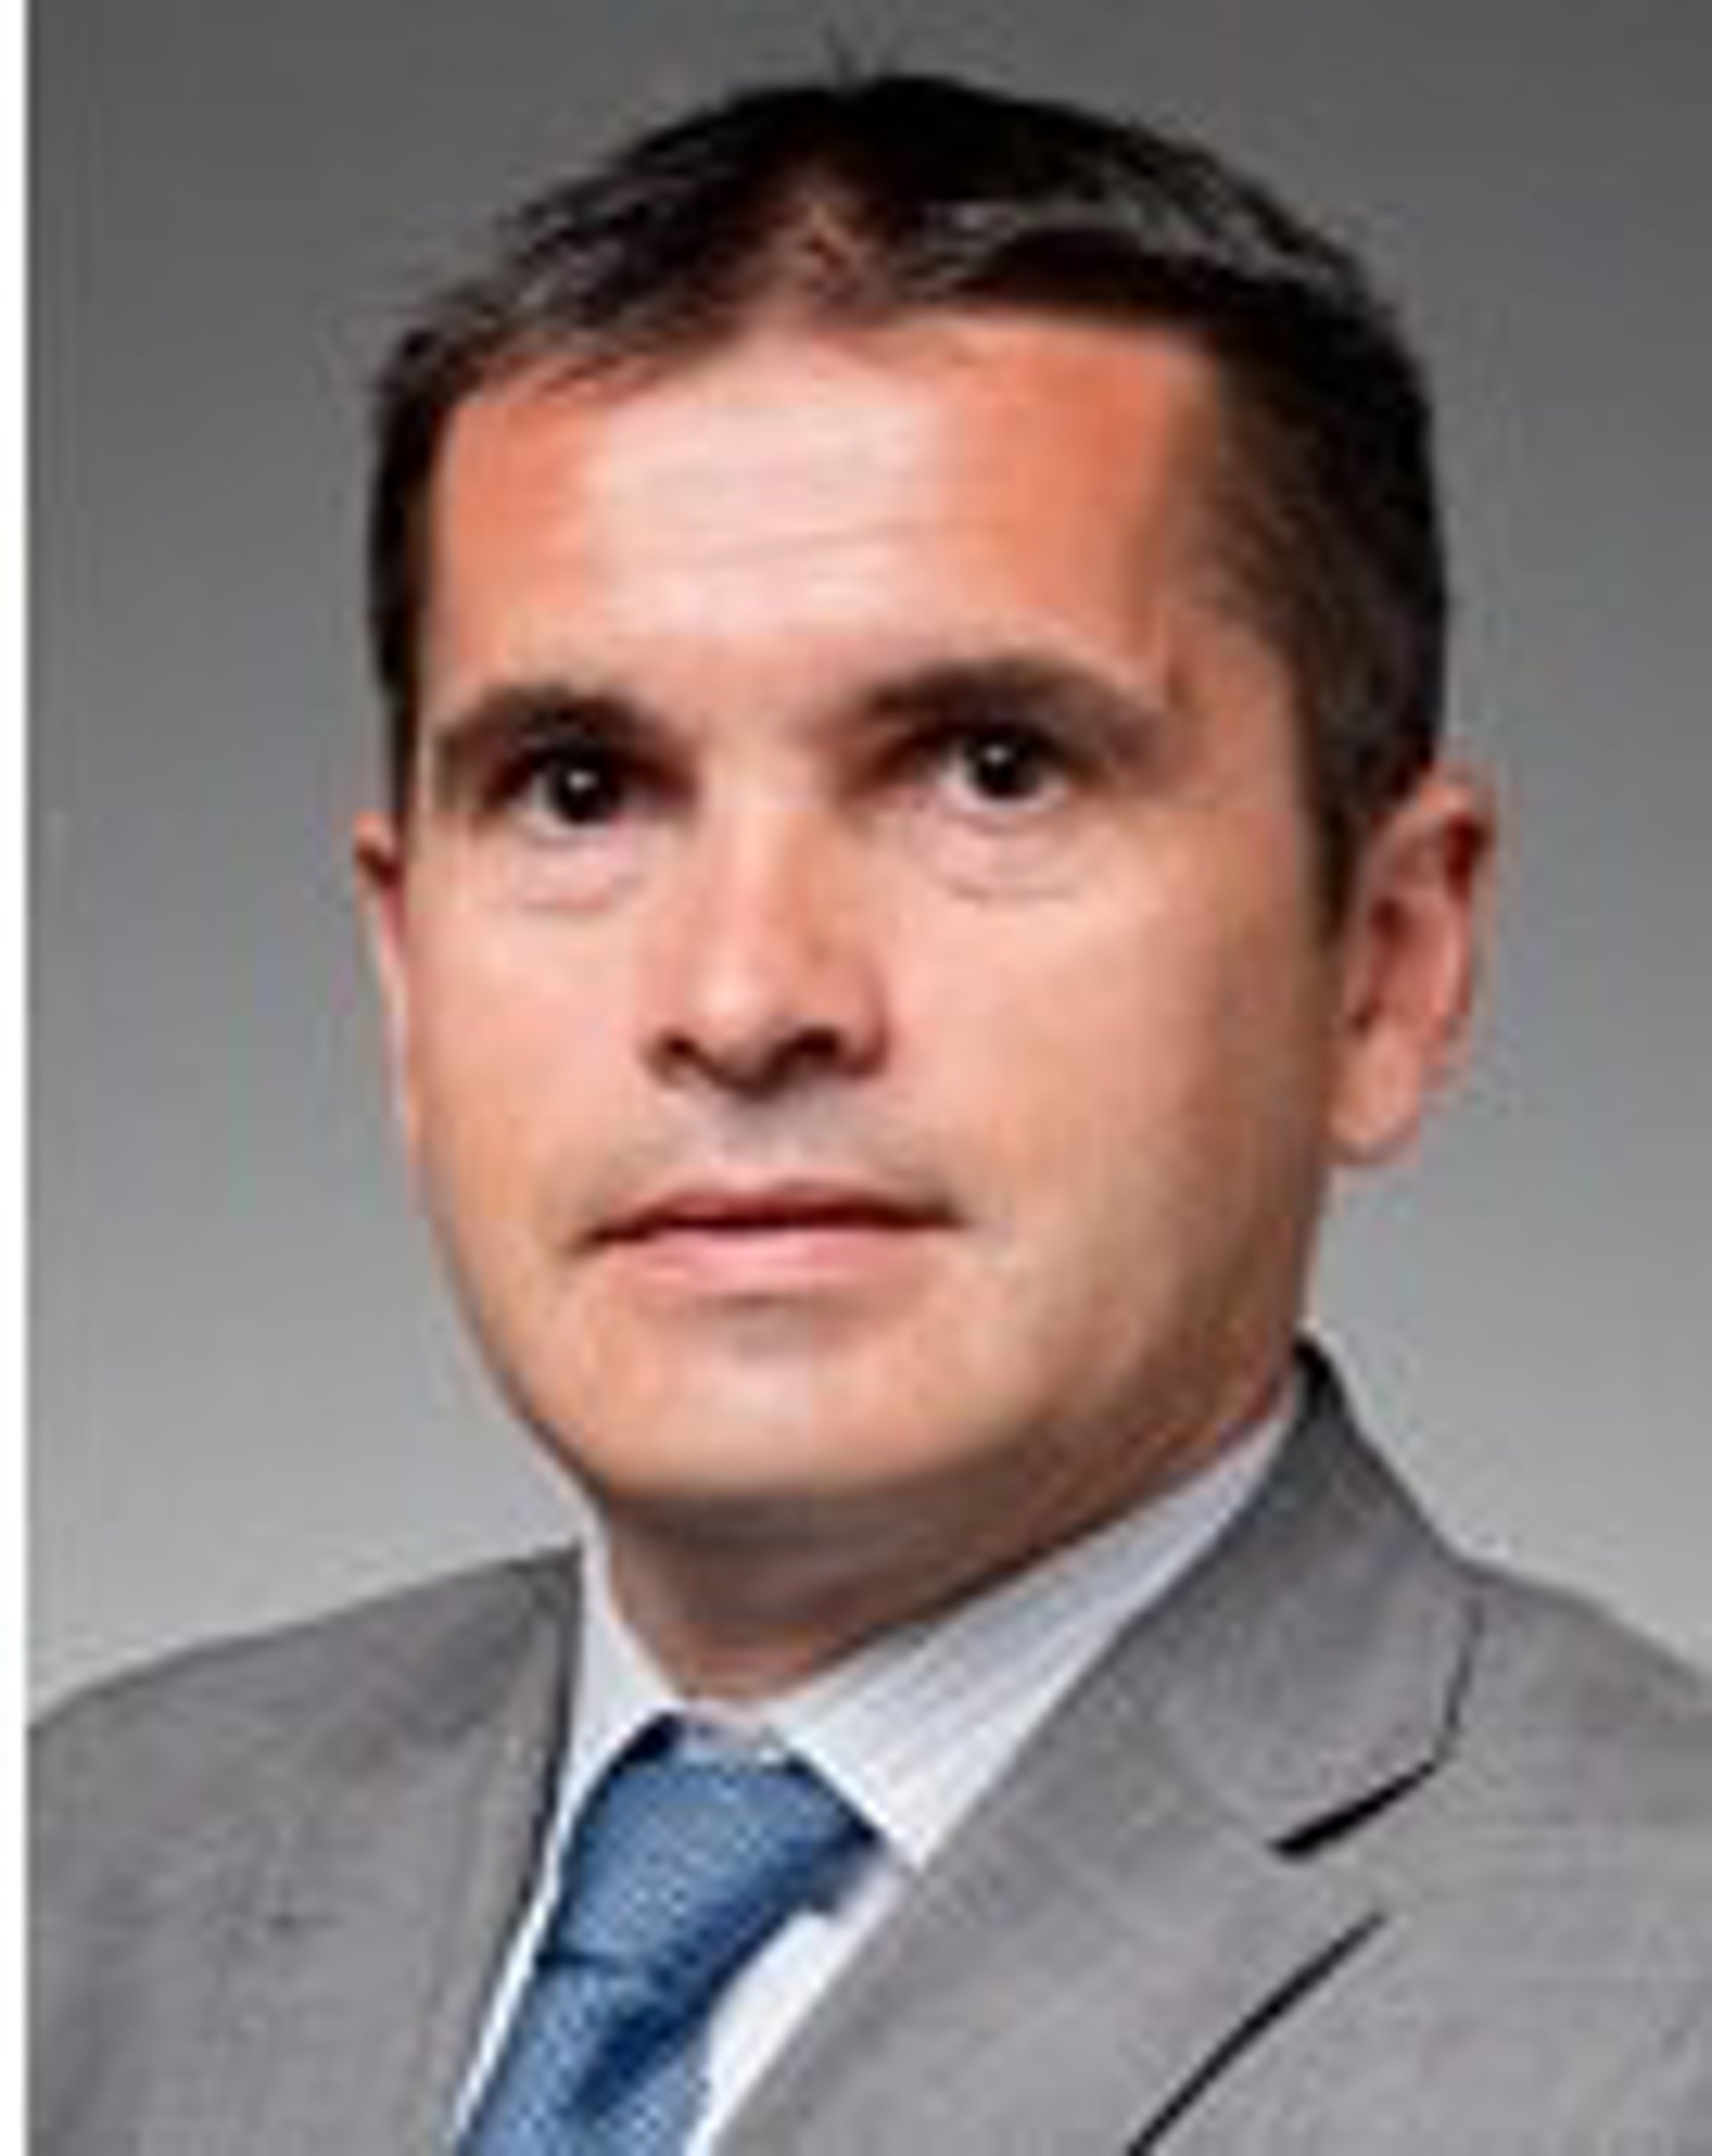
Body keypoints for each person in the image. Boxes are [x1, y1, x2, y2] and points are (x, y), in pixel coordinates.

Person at [33, 69, 1712, 2154]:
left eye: (994, 767)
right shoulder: (83, 1864)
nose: (744, 1000)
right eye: (578, 789)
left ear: (1385, 962)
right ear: (405, 977)